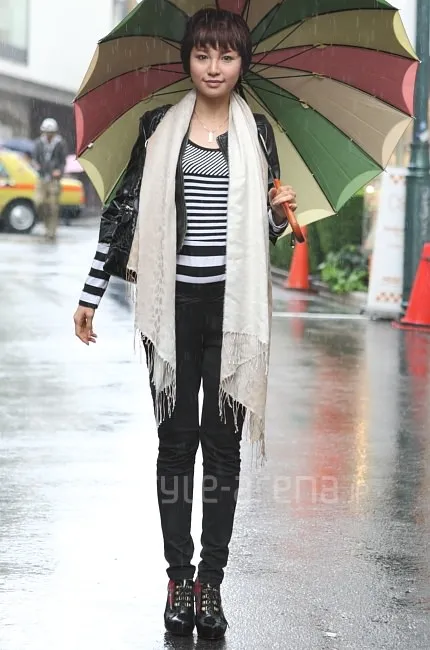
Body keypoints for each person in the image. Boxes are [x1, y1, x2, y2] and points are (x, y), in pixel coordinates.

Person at [73, 8, 297, 641]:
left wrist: (278, 213)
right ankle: (178, 579)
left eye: (227, 56)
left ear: (243, 63)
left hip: (234, 313)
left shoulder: (257, 135)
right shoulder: (158, 128)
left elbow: (261, 237)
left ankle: (212, 583)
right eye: (203, 55)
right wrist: (90, 294)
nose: (214, 68)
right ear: (187, 60)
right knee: (176, 446)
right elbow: (123, 214)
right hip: (171, 311)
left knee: (222, 450)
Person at [33, 118, 67, 241]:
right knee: (39, 202)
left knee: (53, 206)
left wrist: (59, 171)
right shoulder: (38, 143)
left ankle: (51, 232)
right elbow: (35, 158)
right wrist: (37, 166)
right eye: (47, 132)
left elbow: (63, 161)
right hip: (42, 178)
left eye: (51, 132)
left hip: (54, 180)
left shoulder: (60, 143)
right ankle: (45, 224)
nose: (49, 135)